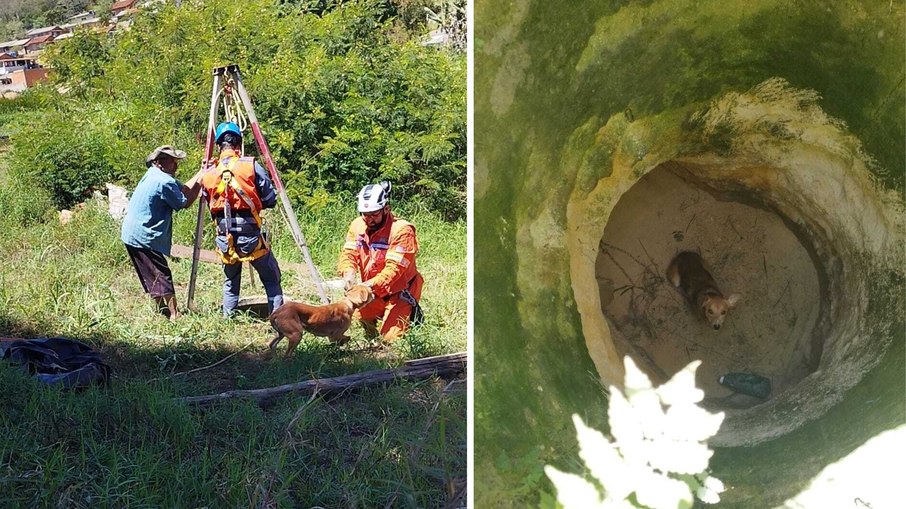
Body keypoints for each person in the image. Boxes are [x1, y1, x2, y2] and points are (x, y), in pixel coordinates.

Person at [200, 122, 284, 316]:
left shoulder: (209, 173)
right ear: (238, 143)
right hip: (251, 237)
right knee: (271, 278)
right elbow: (270, 199)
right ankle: (279, 321)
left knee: (230, 281)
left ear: (219, 145)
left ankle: (227, 320)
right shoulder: (250, 166)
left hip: (225, 238)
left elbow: (208, 200)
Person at [121, 145, 203, 320]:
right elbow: (184, 202)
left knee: (150, 272)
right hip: (143, 235)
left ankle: (162, 310)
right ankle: (174, 314)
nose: (176, 165)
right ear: (159, 163)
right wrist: (201, 182)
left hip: (132, 233)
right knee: (160, 273)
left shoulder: (155, 175)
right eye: (172, 161)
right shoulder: (162, 181)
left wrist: (201, 173)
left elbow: (182, 190)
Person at [337, 181, 424, 341]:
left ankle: (410, 317)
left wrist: (366, 286)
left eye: (374, 214)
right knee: (360, 320)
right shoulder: (357, 225)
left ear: (386, 209)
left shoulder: (402, 230)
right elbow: (349, 253)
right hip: (372, 289)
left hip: (399, 291)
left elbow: (393, 271)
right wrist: (348, 272)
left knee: (390, 339)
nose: (369, 219)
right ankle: (374, 324)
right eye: (365, 214)